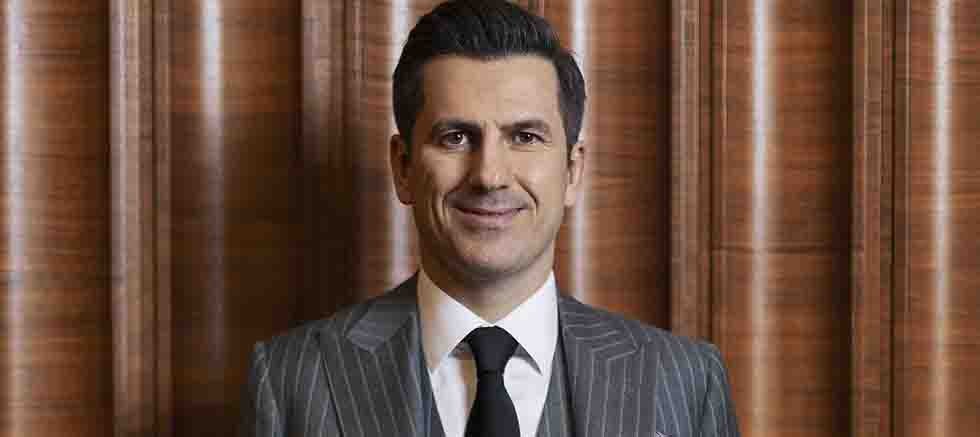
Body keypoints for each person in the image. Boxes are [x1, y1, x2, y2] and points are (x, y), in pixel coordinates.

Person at [241, 1, 739, 436]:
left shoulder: (686, 382)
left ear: (572, 171)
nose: (489, 175)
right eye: (456, 137)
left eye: (525, 137)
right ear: (403, 168)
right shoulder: (290, 381)